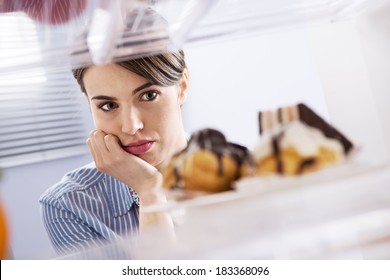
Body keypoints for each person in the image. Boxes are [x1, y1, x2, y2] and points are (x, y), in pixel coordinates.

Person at [39, 49, 189, 255]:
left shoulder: (242, 172)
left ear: (182, 87)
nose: (131, 126)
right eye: (108, 105)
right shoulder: (68, 206)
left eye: (149, 95)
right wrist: (148, 191)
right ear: (89, 105)